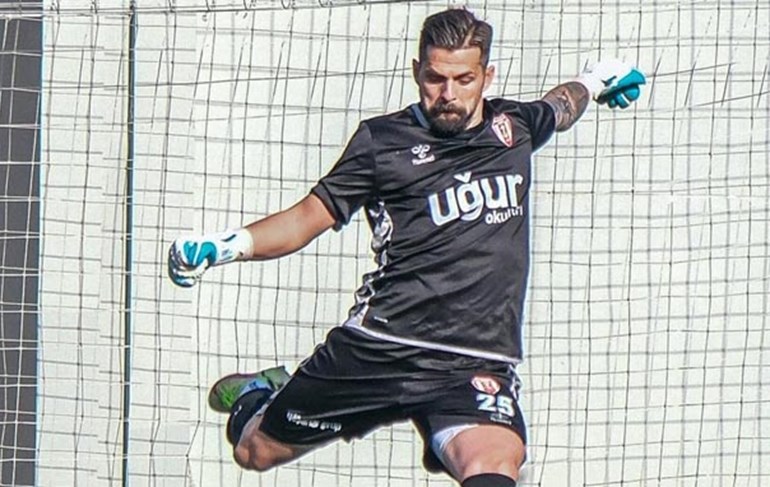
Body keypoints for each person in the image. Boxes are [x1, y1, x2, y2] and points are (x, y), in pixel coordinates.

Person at [168, 8, 645, 487]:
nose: (448, 94)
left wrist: (594, 80)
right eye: (436, 78)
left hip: (472, 362)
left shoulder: (513, 127)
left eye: (464, 79)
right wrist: (227, 245)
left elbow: (560, 106)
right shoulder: (382, 142)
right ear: (417, 71)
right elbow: (307, 218)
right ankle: (257, 393)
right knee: (255, 452)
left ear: (487, 77)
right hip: (380, 347)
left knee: (495, 465)